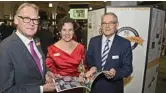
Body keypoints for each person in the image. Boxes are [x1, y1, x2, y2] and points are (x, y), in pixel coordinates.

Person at [0, 3, 56, 93]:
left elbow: (37, 65)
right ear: (16, 20)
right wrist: (41, 89)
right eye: (26, 18)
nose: (32, 23)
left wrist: (46, 73)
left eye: (35, 19)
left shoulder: (36, 40)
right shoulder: (5, 48)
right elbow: (6, 90)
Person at [85, 12, 133, 93]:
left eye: (111, 23)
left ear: (117, 25)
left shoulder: (124, 43)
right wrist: (92, 67)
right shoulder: (93, 41)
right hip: (95, 88)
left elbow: (128, 68)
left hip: (114, 89)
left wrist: (115, 72)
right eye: (104, 23)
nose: (107, 26)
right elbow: (89, 59)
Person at [46, 17, 86, 93]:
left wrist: (82, 74)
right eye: (64, 30)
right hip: (60, 87)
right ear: (60, 31)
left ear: (74, 31)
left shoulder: (80, 47)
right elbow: (49, 71)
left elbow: (83, 67)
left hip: (77, 86)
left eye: (70, 30)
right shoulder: (51, 49)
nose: (67, 33)